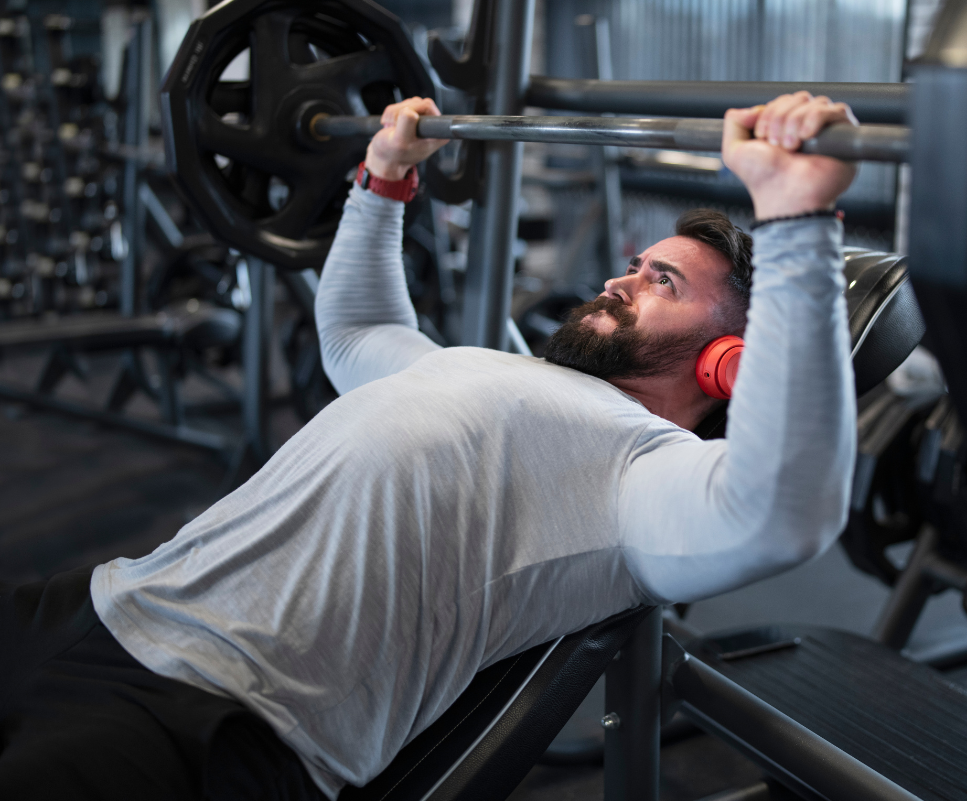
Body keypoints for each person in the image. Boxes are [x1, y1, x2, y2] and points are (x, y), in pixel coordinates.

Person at [0, 92, 859, 800]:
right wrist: (383, 180)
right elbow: (357, 331)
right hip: (102, 602)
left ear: (730, 362)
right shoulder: (485, 366)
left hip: (209, 715)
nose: (618, 278)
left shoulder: (646, 473)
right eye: (635, 263)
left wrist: (796, 222)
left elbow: (781, 513)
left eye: (659, 281)